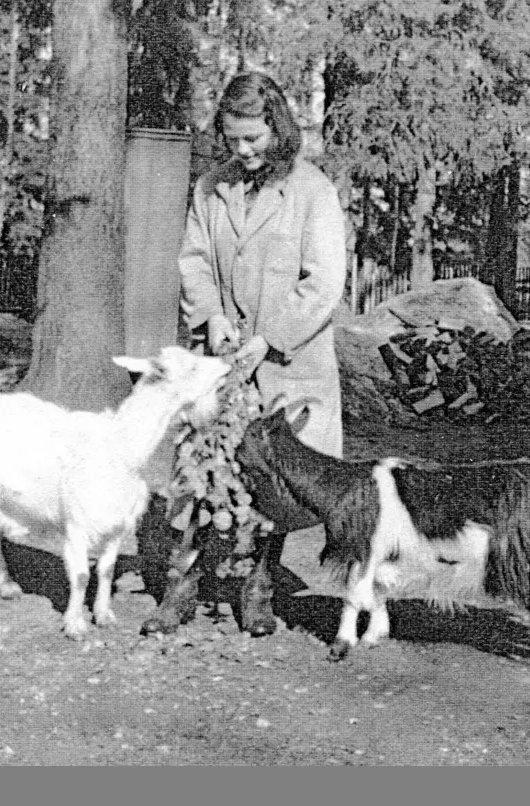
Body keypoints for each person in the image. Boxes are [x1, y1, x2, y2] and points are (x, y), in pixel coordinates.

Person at [175, 71, 347, 637]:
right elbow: (195, 261)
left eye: (254, 139)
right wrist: (213, 317)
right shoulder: (209, 189)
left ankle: (260, 584)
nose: (243, 151)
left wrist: (269, 337)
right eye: (232, 139)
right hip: (226, 357)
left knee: (277, 480)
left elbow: (323, 281)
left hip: (288, 362)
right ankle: (187, 583)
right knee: (210, 465)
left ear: (278, 127)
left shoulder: (312, 191)